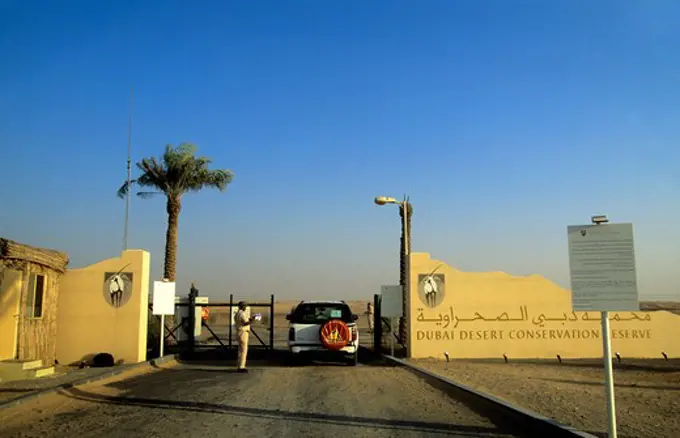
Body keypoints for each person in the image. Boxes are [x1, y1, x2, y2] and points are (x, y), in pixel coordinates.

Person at [235, 301, 256, 373]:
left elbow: (244, 321)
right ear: (242, 306)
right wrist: (253, 320)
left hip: (239, 332)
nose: (245, 307)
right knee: (244, 350)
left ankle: (239, 365)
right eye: (245, 306)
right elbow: (245, 323)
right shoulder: (242, 314)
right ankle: (242, 366)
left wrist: (250, 319)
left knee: (240, 350)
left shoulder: (237, 313)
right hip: (243, 332)